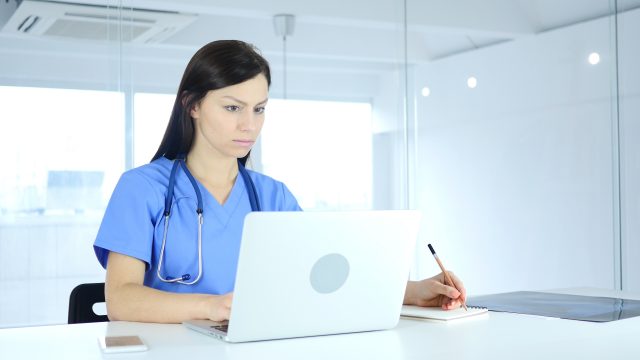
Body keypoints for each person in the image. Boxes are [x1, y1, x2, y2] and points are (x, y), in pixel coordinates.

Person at [93, 40, 466, 323]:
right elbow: (121, 300)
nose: (249, 125)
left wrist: (413, 292)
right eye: (232, 108)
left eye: (259, 109)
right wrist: (214, 306)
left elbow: (323, 278)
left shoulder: (272, 196)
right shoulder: (142, 188)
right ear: (192, 105)